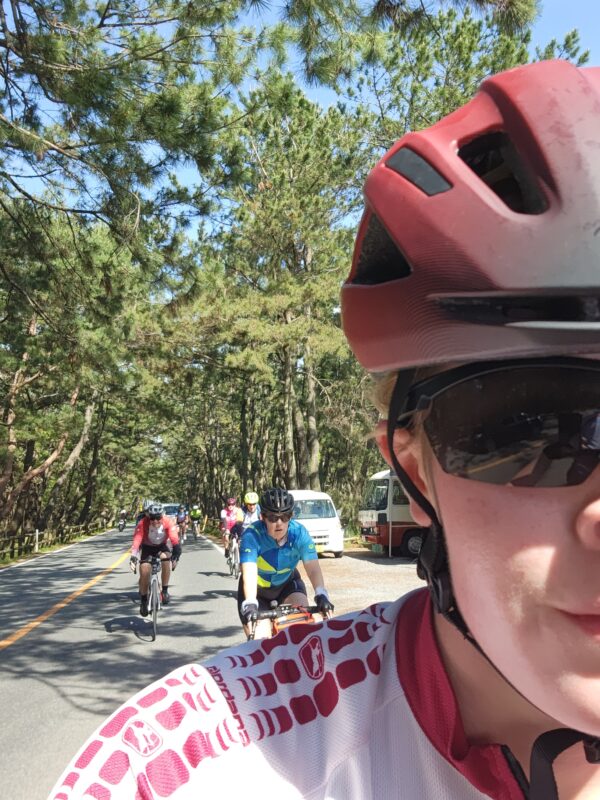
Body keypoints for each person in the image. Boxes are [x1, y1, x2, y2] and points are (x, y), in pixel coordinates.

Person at [49, 59, 600, 800]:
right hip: (262, 595)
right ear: (415, 471)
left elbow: (312, 573)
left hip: (293, 592)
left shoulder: (299, 536)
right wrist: (246, 601)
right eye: (529, 431)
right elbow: (253, 572)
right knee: (184, 581)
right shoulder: (186, 766)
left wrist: (320, 599)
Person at [238, 487, 334, 639]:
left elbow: (313, 568)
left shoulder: (299, 533)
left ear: (291, 515)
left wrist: (321, 594)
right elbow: (249, 572)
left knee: (306, 627)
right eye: (273, 517)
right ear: (262, 517)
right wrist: (250, 602)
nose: (279, 523)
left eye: (285, 516)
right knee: (261, 643)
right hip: (257, 591)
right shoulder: (252, 536)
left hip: (287, 586)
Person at [130, 503, 181, 616]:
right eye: (152, 518)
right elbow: (137, 539)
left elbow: (174, 538)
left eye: (158, 518)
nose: (155, 521)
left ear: (162, 516)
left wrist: (176, 552)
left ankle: (165, 591)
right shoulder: (143, 523)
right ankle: (143, 601)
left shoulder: (168, 521)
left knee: (166, 559)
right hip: (147, 547)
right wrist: (133, 556)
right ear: (148, 516)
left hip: (161, 546)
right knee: (144, 569)